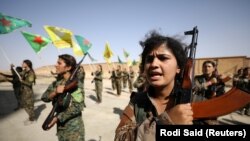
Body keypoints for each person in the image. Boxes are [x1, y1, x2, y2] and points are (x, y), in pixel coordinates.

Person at [114, 31, 193, 141]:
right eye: (149, 59)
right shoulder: (138, 102)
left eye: (163, 58)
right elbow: (120, 138)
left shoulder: (195, 101)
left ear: (178, 67)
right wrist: (164, 123)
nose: (154, 64)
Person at [41, 54, 85, 141]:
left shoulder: (75, 84)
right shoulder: (57, 83)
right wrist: (55, 92)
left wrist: (57, 118)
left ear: (68, 67)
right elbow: (44, 98)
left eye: (59, 63)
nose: (55, 65)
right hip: (61, 128)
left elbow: (78, 107)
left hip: (74, 129)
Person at [192, 60, 226, 125]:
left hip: (212, 108)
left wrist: (216, 94)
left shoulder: (218, 80)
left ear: (213, 68)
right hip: (199, 106)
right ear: (202, 68)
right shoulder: (198, 78)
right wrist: (210, 82)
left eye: (209, 66)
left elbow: (222, 95)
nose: (206, 68)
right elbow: (195, 88)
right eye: (205, 66)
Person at [20, 60, 36, 125]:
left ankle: (32, 119)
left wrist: (22, 81)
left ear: (27, 64)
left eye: (23, 63)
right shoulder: (25, 71)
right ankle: (31, 116)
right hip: (24, 91)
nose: (22, 64)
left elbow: (30, 83)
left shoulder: (31, 73)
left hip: (28, 92)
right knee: (25, 105)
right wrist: (12, 68)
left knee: (30, 106)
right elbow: (19, 74)